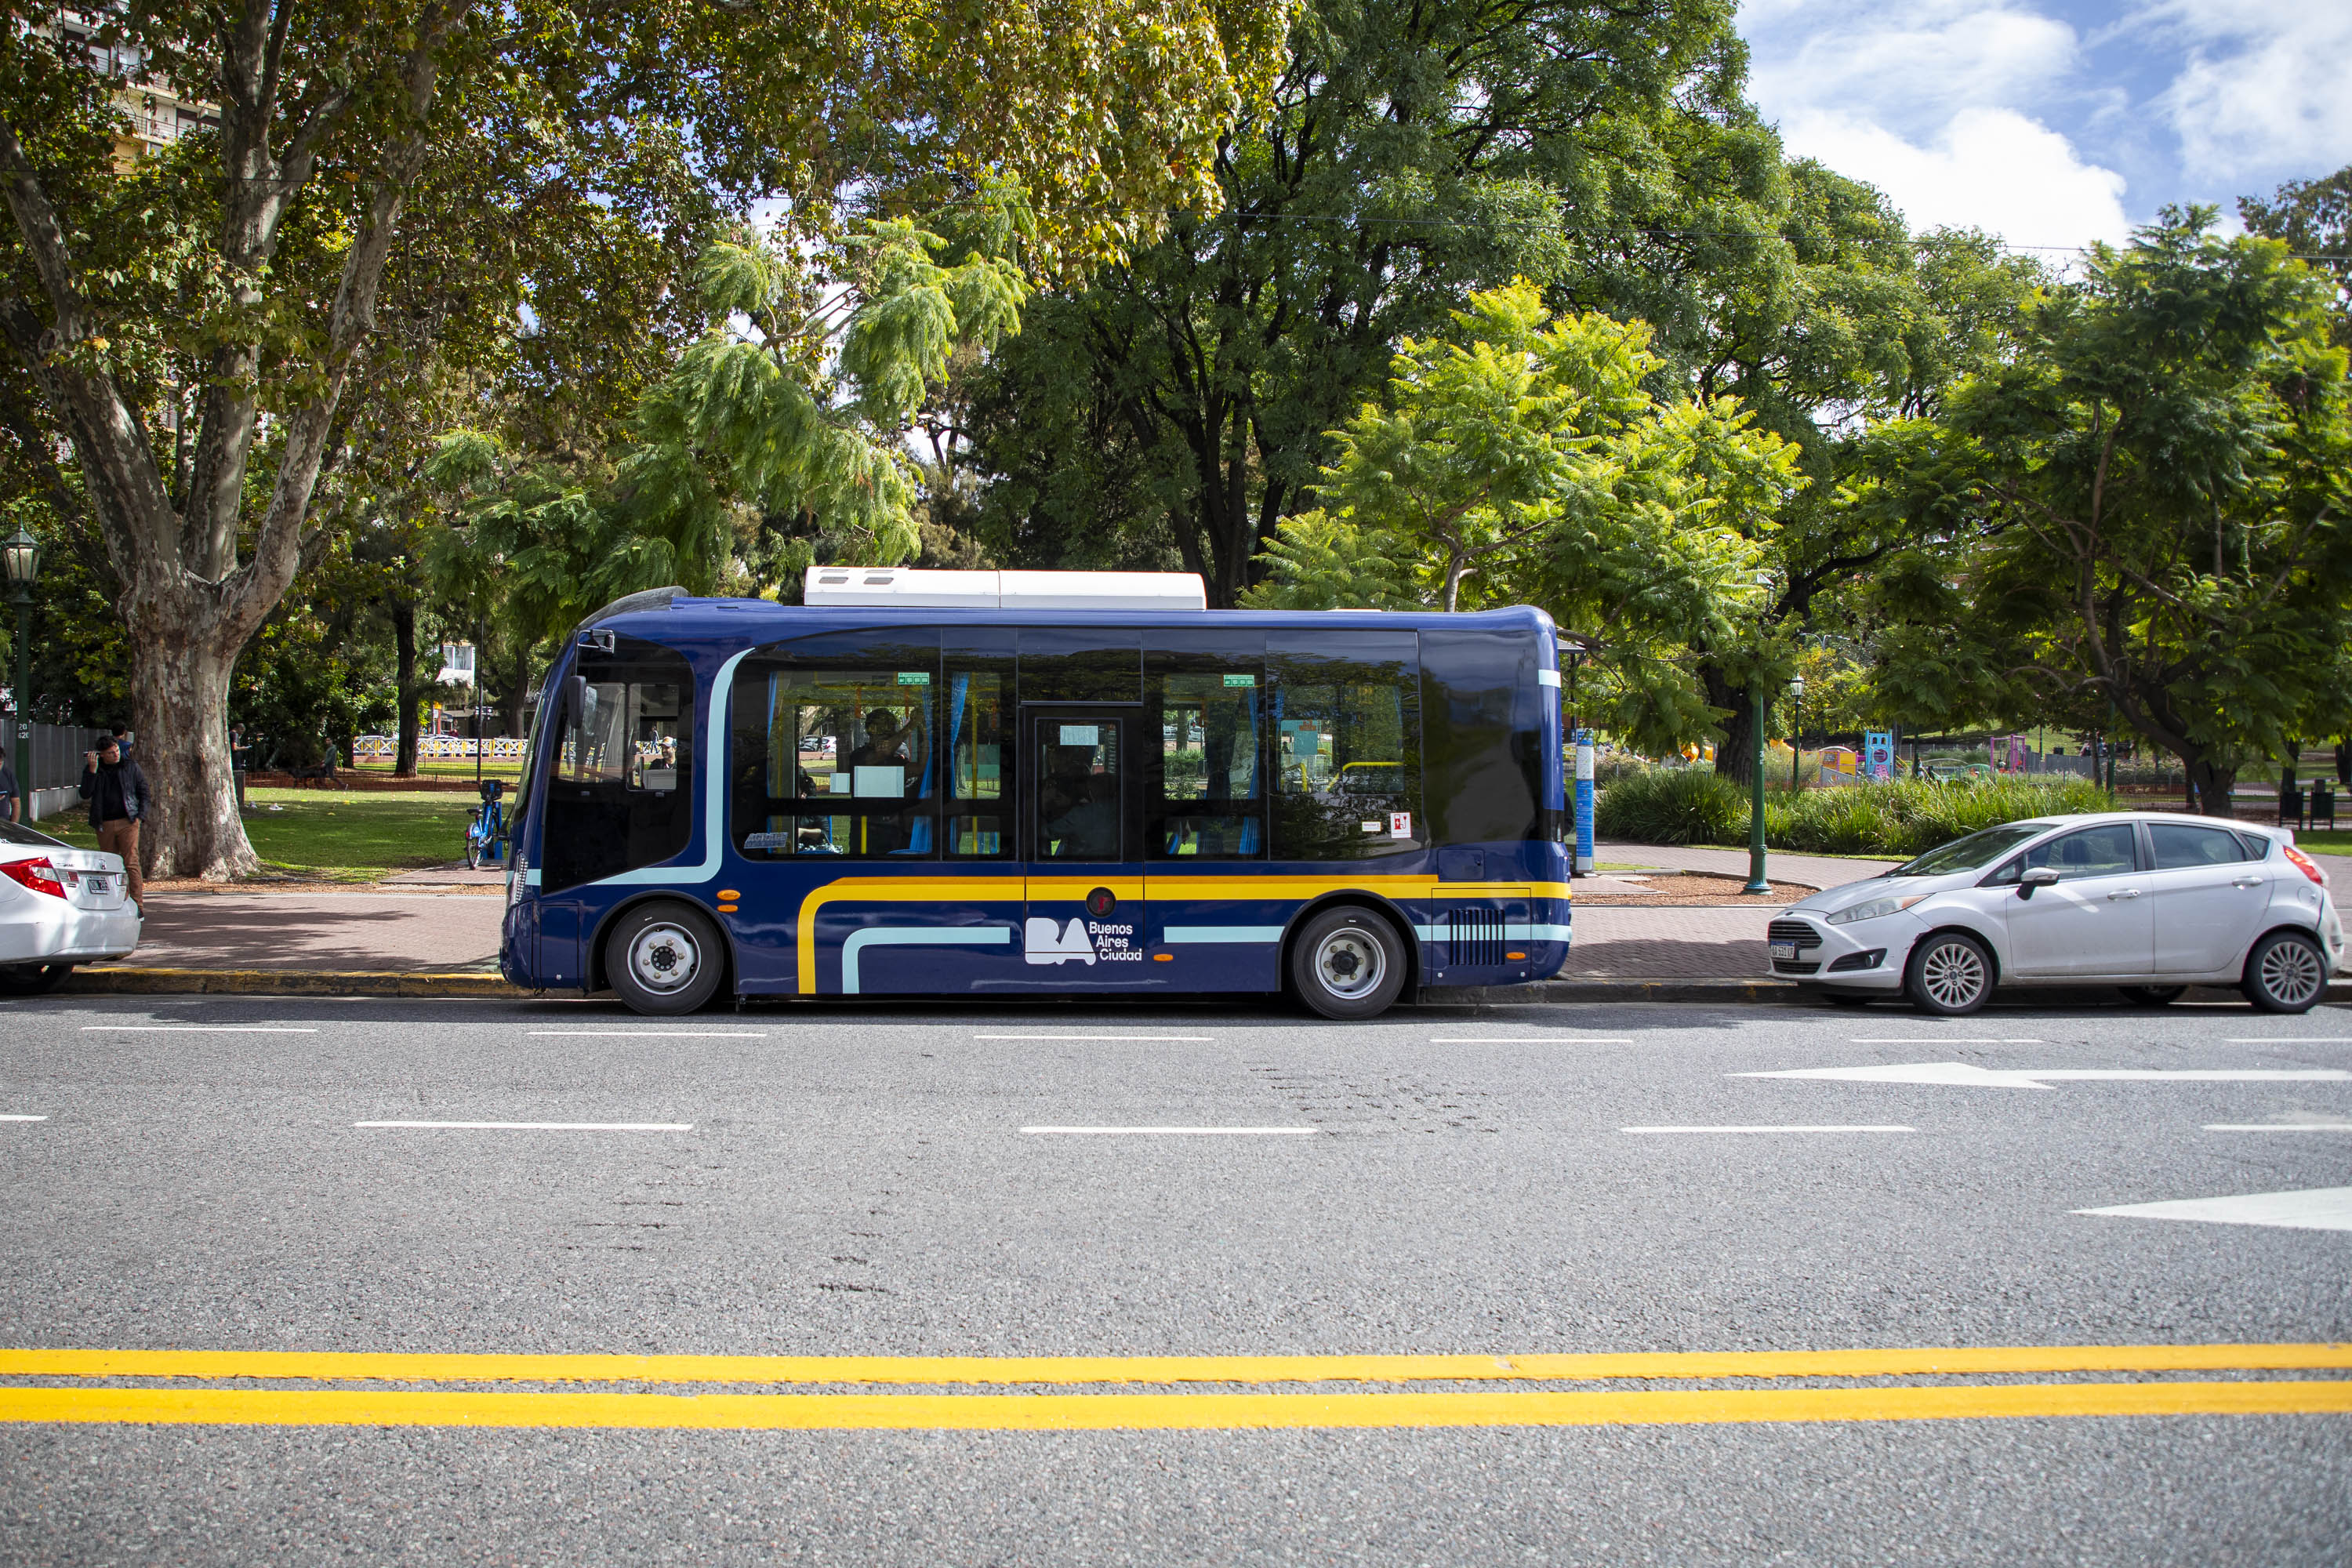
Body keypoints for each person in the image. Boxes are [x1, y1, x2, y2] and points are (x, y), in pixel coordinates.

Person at [78, 733, 148, 905]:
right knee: (109, 863)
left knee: (131, 861)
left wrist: (140, 816)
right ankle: (115, 900)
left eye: (116, 750)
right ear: (101, 754)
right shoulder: (95, 769)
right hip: (105, 823)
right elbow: (85, 794)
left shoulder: (130, 766)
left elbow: (144, 791)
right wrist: (92, 772)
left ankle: (137, 903)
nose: (115, 754)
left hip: (128, 820)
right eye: (110, 752)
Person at [0, 744, 16, 823]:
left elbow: (16, 803)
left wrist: (13, 827)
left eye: (1, 761)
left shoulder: (8, 774)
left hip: (4, 826)